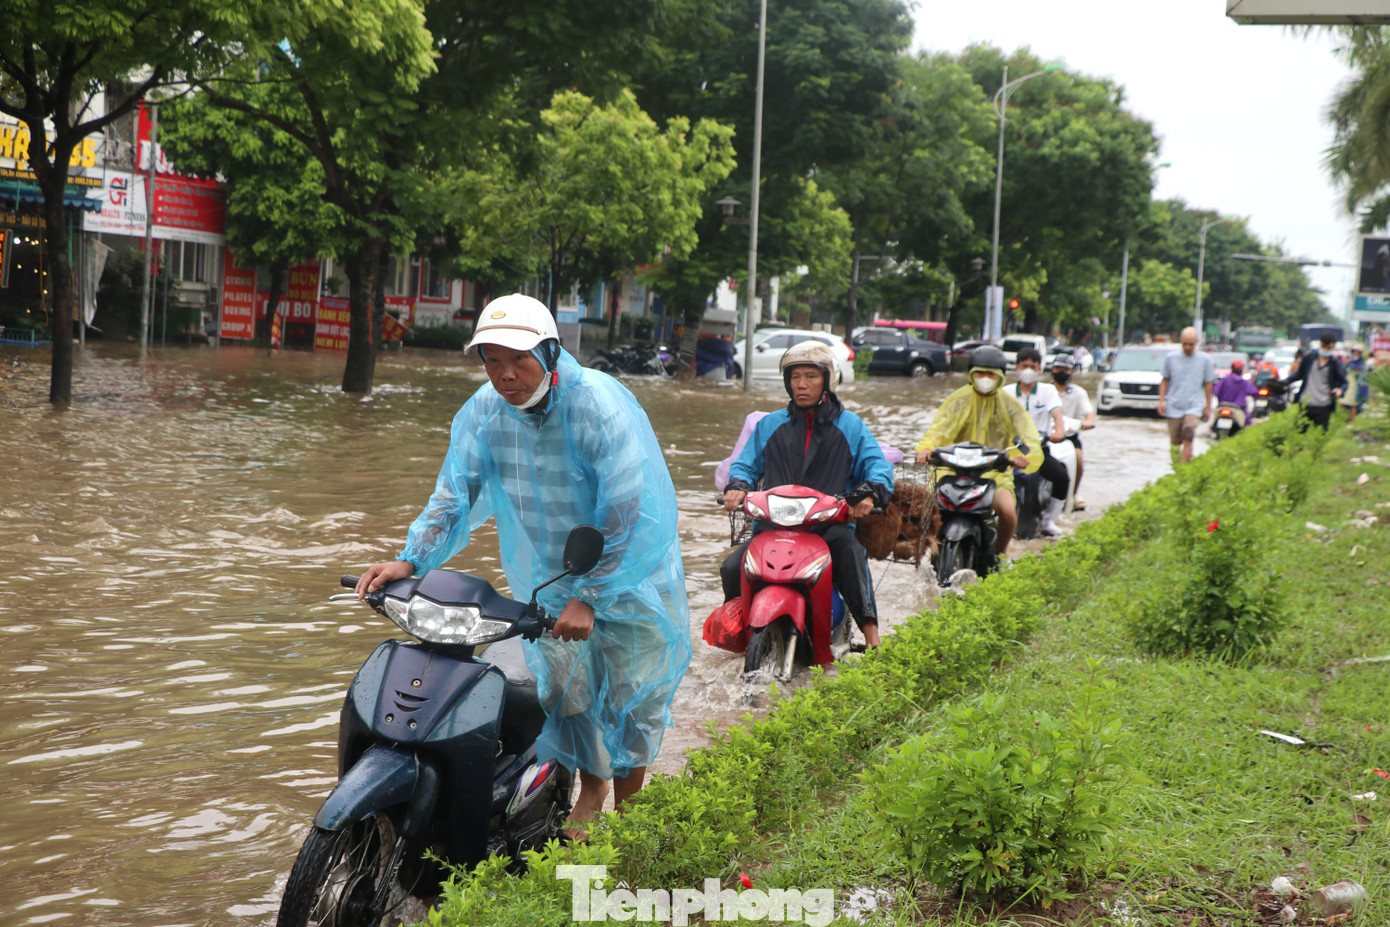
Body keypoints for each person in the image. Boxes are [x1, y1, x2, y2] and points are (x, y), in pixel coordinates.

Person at [354, 293, 690, 837]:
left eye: (519, 359)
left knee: (632, 702)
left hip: (630, 581)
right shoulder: (486, 411)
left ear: (551, 353)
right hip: (552, 581)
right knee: (568, 692)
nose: (505, 375)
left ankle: (630, 820)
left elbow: (631, 512)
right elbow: (454, 496)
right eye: (491, 360)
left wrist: (593, 594)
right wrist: (409, 559)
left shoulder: (597, 406)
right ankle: (592, 787)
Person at [721, 341, 893, 649]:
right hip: (773, 528)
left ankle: (872, 637)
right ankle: (739, 634)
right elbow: (745, 465)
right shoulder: (769, 424)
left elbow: (878, 468)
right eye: (795, 377)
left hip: (827, 529)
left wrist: (868, 494)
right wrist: (737, 487)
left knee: (852, 555)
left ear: (828, 380)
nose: (801, 384)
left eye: (811, 377)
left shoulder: (850, 425)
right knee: (732, 567)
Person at [914, 344, 1043, 560]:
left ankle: (998, 556)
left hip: (994, 472)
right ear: (971, 374)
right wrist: (926, 448)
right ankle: (926, 553)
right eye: (980, 373)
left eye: (991, 374)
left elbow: (1028, 437)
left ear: (1000, 377)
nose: (985, 378)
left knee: (1009, 513)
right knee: (926, 508)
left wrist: (1026, 457)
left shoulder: (1011, 405)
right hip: (952, 470)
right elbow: (938, 430)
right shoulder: (957, 400)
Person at [1006, 348, 1068, 537]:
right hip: (1010, 451)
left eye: (1033, 366)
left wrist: (1059, 430)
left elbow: (1056, 412)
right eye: (1025, 366)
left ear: (1040, 369)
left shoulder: (1048, 390)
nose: (1028, 370)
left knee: (1061, 476)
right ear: (1017, 367)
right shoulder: (1005, 392)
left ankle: (1049, 520)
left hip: (1038, 450)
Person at [1156, 327, 1215, 467]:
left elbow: (1208, 384)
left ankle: (1186, 469)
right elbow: (1165, 380)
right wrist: (1161, 401)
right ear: (1180, 342)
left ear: (1197, 342)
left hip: (1194, 406)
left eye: (1191, 344)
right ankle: (1177, 469)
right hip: (1174, 405)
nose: (1188, 347)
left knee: (1188, 436)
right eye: (1185, 344)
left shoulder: (1205, 360)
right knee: (1175, 442)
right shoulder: (1171, 358)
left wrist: (1208, 407)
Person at [1050, 353, 1096, 509]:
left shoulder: (1079, 393)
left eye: (1065, 369)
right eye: (1058, 368)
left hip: (1069, 437)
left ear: (1072, 372)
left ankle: (1074, 493)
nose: (1061, 372)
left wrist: (1087, 423)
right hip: (1046, 436)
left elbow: (1089, 414)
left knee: (1078, 459)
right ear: (1052, 370)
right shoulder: (1045, 391)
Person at [1283, 332, 1346, 431]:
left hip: (1324, 404)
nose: (1327, 350)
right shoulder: (1309, 358)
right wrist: (1285, 381)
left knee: (1320, 433)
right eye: (1326, 347)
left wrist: (1340, 390)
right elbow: (1299, 374)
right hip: (1306, 402)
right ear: (1321, 344)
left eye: (1330, 348)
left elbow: (1343, 382)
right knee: (1300, 431)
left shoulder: (1334, 363)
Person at [1212, 358, 1258, 429]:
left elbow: (1215, 391)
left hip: (1222, 406)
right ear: (1241, 370)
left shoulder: (1224, 379)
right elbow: (1254, 392)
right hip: (1238, 408)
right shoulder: (1244, 382)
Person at [1342, 343, 1370, 424]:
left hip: (1356, 386)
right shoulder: (1349, 361)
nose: (1355, 353)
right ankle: (1348, 417)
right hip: (1347, 384)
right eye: (1354, 352)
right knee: (1343, 402)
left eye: (1357, 352)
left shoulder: (1362, 364)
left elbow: (1363, 377)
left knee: (1353, 404)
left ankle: (1352, 422)